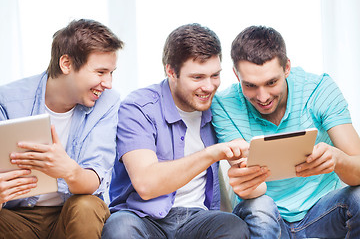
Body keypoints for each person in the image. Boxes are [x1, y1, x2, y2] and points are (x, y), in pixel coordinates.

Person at [102, 23, 250, 239]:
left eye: (215, 75)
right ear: (171, 71)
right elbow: (146, 184)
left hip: (198, 218)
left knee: (233, 226)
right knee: (120, 228)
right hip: (143, 217)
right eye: (197, 77)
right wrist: (213, 153)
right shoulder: (138, 107)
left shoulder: (219, 108)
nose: (209, 87)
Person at [211, 25, 360, 238]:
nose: (263, 97)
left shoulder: (319, 89)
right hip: (265, 214)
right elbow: (251, 188)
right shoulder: (224, 105)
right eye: (251, 85)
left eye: (271, 82)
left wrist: (338, 160)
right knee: (259, 208)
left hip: (323, 210)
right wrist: (245, 184)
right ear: (236, 75)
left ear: (287, 67)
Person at [0, 19, 124, 239]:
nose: (108, 83)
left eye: (111, 73)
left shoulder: (108, 102)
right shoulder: (8, 101)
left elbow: (95, 180)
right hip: (16, 215)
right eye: (101, 72)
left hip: (71, 212)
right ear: (66, 64)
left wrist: (68, 170)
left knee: (87, 206)